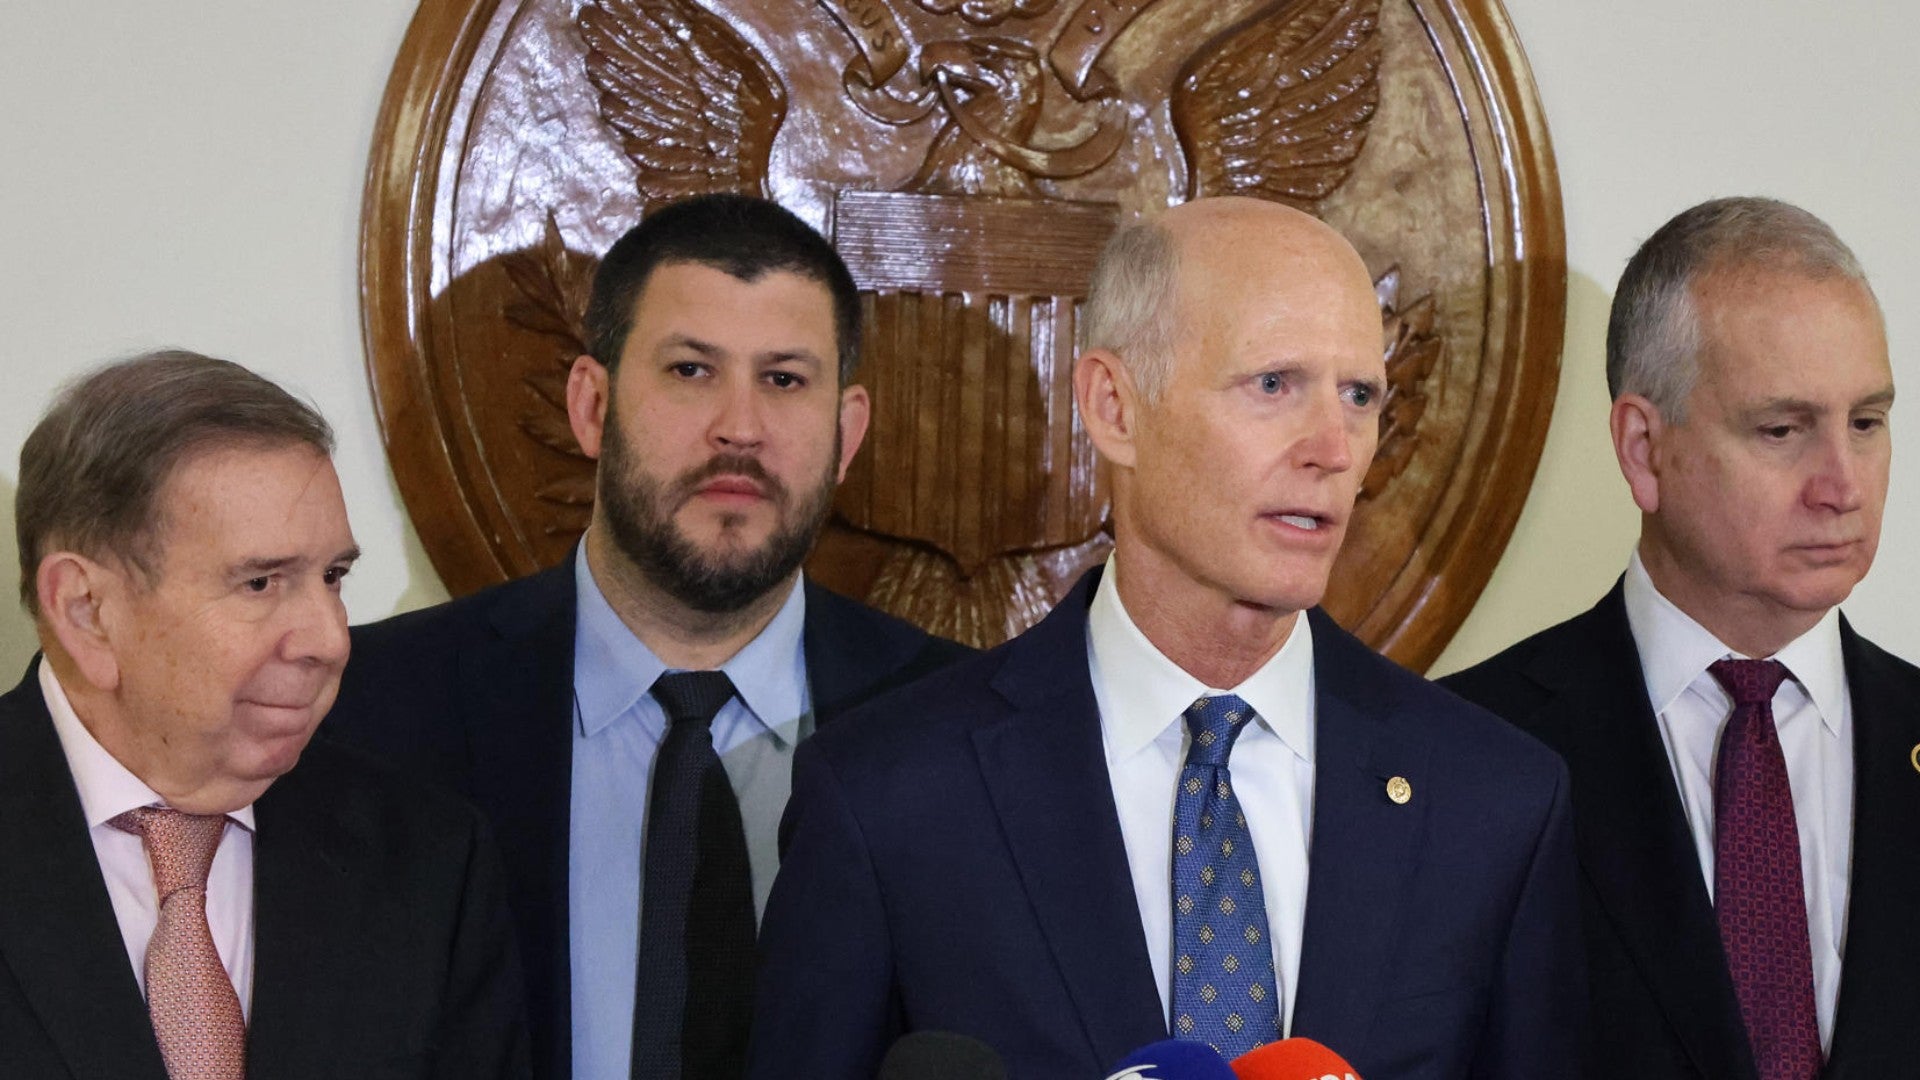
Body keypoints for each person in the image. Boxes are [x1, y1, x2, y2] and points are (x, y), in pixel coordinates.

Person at [748, 197, 1583, 1079]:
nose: (1334, 448)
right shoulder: (891, 796)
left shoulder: (1496, 802)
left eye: (1360, 395)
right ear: (1114, 406)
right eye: (1273, 385)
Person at [327, 193, 969, 1080]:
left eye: (784, 379)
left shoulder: (960, 728)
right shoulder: (372, 712)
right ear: (591, 407)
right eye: (691, 371)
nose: (739, 428)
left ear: (845, 432)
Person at [1443, 196, 1915, 1079]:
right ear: (1643, 448)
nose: (1842, 485)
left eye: (1867, 422)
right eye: (1783, 429)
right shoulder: (1467, 752)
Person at [0, 351, 528, 1079]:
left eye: (333, 577)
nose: (330, 639)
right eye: (259, 582)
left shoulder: (428, 858)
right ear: (86, 611)